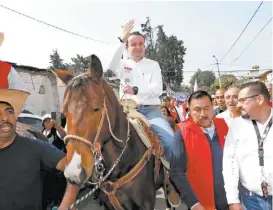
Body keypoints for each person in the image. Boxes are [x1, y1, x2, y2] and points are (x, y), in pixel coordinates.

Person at [0, 89, 78, 210]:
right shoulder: (42, 132)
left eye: (9, 111)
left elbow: (76, 168)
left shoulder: (36, 147)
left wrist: (67, 202)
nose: (5, 117)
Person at [108, 20, 174, 161]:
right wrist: (121, 40)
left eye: (141, 44)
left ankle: (173, 178)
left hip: (151, 112)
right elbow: (111, 63)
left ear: (145, 46)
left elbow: (157, 89)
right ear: (126, 48)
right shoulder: (122, 64)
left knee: (171, 143)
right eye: (133, 44)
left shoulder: (153, 65)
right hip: (126, 112)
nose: (138, 47)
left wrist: (135, 90)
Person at [170, 91, 229, 210]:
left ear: (213, 106)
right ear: (189, 111)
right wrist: (193, 203)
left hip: (229, 200)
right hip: (200, 203)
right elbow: (176, 172)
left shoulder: (225, 126)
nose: (203, 114)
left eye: (207, 108)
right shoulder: (182, 133)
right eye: (197, 109)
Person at [223, 81, 273, 210]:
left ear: (260, 99)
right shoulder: (236, 125)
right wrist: (233, 200)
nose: (238, 105)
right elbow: (230, 163)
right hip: (252, 200)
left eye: (242, 100)